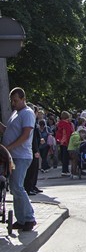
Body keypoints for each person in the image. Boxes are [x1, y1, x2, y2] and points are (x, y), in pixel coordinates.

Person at [0, 87, 37, 231]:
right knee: (14, 189)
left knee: (17, 187)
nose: (13, 103)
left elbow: (25, 135)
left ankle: (29, 218)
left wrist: (9, 147)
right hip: (12, 156)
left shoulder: (27, 113)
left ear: (23, 99)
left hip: (21, 155)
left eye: (16, 100)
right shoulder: (16, 113)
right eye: (12, 101)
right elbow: (8, 130)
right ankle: (21, 220)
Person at [55, 111, 74, 176]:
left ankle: (64, 170)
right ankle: (65, 170)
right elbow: (69, 134)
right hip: (66, 142)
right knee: (66, 157)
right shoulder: (67, 124)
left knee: (63, 157)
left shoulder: (60, 124)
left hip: (61, 142)